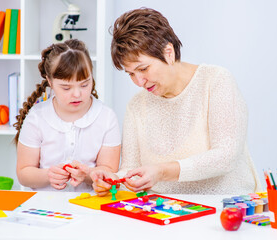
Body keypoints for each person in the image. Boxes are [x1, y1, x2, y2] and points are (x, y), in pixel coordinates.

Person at [91, 8, 261, 195]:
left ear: (168, 53)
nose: (139, 81)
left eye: (144, 69)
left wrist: (163, 172)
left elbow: (226, 156)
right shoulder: (137, 105)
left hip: (226, 208)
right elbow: (130, 169)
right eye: (131, 73)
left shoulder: (216, 81)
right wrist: (114, 180)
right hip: (165, 213)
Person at [14, 39, 121, 192]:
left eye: (84, 84)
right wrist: (48, 175)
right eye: (66, 87)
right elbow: (24, 173)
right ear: (50, 82)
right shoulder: (37, 118)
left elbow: (109, 171)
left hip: (90, 206)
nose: (77, 94)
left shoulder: (106, 117)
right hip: (46, 207)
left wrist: (88, 174)